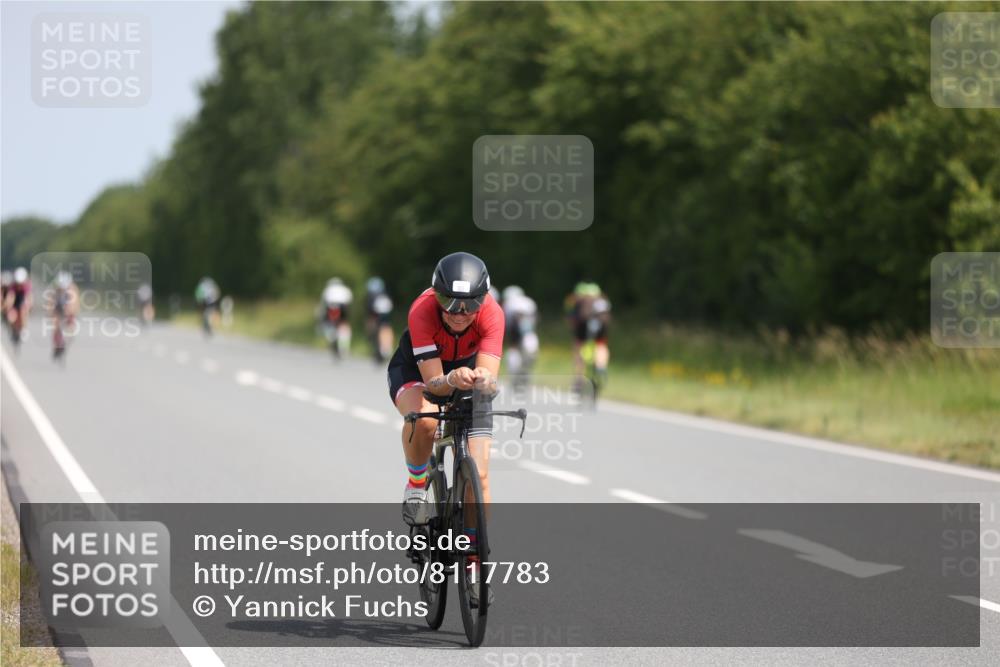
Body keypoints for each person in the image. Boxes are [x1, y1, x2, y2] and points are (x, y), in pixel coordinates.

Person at [387, 251, 503, 606]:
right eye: (448, 301)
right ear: (435, 295)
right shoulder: (422, 310)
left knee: (480, 476)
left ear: (482, 301)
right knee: (423, 420)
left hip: (466, 377)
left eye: (469, 304)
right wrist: (451, 378)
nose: (458, 312)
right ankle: (417, 483)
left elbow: (491, 377)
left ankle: (473, 560)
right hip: (420, 374)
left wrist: (486, 382)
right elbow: (435, 383)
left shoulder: (494, 314)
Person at [565, 281, 611, 392]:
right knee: (601, 344)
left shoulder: (578, 300)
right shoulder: (602, 300)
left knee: (578, 346)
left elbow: (572, 319)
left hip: (583, 325)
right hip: (601, 324)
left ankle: (579, 378)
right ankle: (601, 366)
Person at [501, 285, 539, 387]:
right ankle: (524, 372)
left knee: (513, 351)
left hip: (515, 331)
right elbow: (535, 318)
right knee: (530, 354)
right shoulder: (529, 301)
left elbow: (506, 322)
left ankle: (515, 376)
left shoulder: (508, 304)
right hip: (529, 333)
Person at [317, 277, 353, 358]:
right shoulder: (345, 289)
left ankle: (332, 338)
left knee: (330, 324)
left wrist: (321, 315)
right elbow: (349, 301)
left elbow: (323, 303)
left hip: (331, 307)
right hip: (342, 307)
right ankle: (344, 345)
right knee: (344, 325)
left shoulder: (328, 289)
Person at [47, 271, 79, 360]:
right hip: (58, 308)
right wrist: (50, 311)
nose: (62, 289)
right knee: (56, 326)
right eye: (60, 288)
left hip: (68, 309)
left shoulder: (73, 289)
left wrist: (71, 312)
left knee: (71, 329)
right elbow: (50, 302)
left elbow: (75, 304)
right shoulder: (54, 289)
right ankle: (56, 344)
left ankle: (65, 342)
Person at [365, 276, 394, 363]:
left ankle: (375, 341)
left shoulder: (371, 295)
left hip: (376, 310)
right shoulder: (384, 294)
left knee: (373, 323)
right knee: (386, 326)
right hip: (385, 308)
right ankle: (387, 348)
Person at [6, 267, 32, 346]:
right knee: (11, 317)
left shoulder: (26, 286)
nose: (19, 285)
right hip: (14, 304)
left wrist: (28, 305)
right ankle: (13, 330)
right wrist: (8, 306)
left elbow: (28, 297)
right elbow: (10, 297)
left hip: (22, 304)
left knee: (23, 312)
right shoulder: (13, 286)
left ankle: (23, 329)